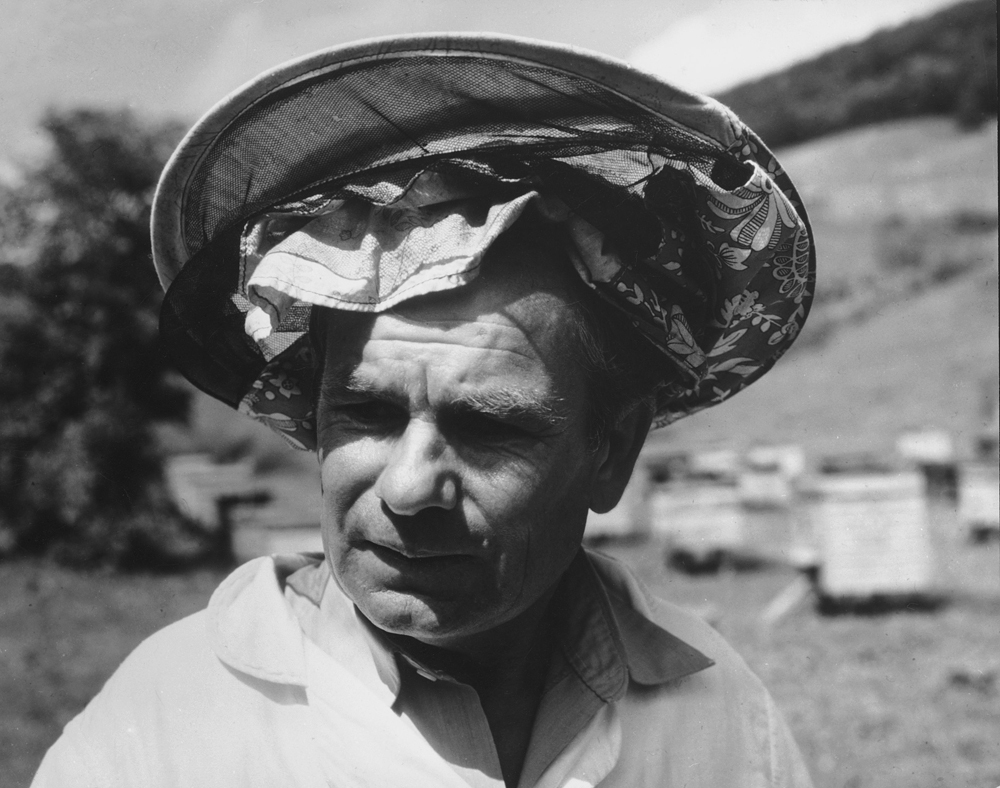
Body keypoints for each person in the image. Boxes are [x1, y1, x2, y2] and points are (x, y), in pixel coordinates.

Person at [33, 34, 816, 788]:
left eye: (488, 426)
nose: (408, 489)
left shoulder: (723, 721)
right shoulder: (162, 728)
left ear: (610, 451)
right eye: (366, 414)